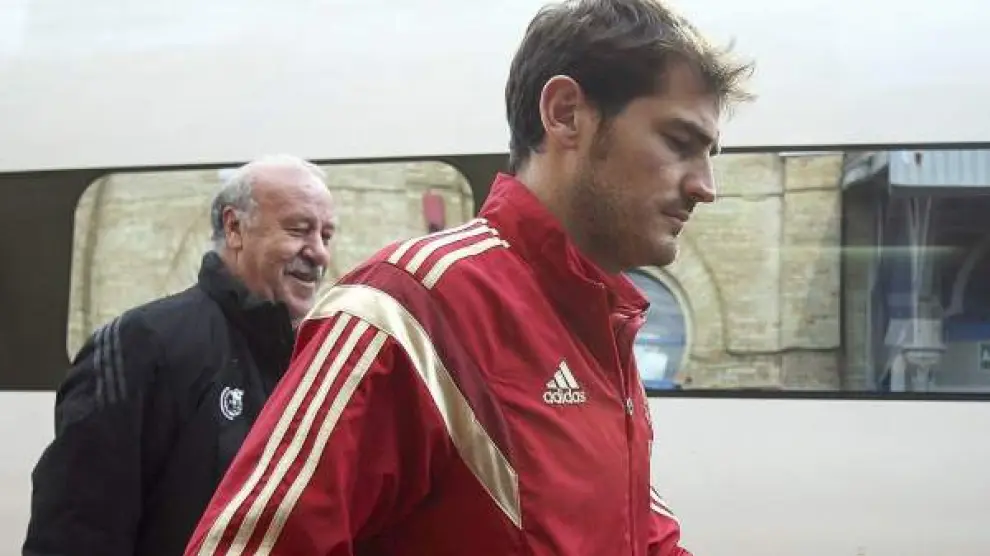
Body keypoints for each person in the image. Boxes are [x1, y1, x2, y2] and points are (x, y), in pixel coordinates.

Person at [184, 1, 754, 554]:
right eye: (679, 143)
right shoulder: (404, 311)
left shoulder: (603, 329)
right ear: (565, 114)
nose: (705, 186)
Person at [23, 154, 337, 556]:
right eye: (298, 230)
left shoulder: (314, 361)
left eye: (326, 236)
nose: (319, 253)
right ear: (234, 228)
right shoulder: (142, 344)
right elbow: (76, 531)